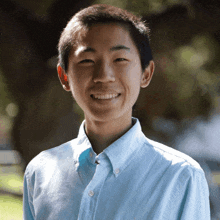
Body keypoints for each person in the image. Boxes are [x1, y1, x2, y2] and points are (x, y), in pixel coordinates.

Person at [23, 4, 210, 220]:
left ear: (146, 73)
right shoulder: (39, 172)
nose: (104, 75)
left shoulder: (180, 176)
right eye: (87, 61)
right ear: (64, 76)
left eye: (120, 59)